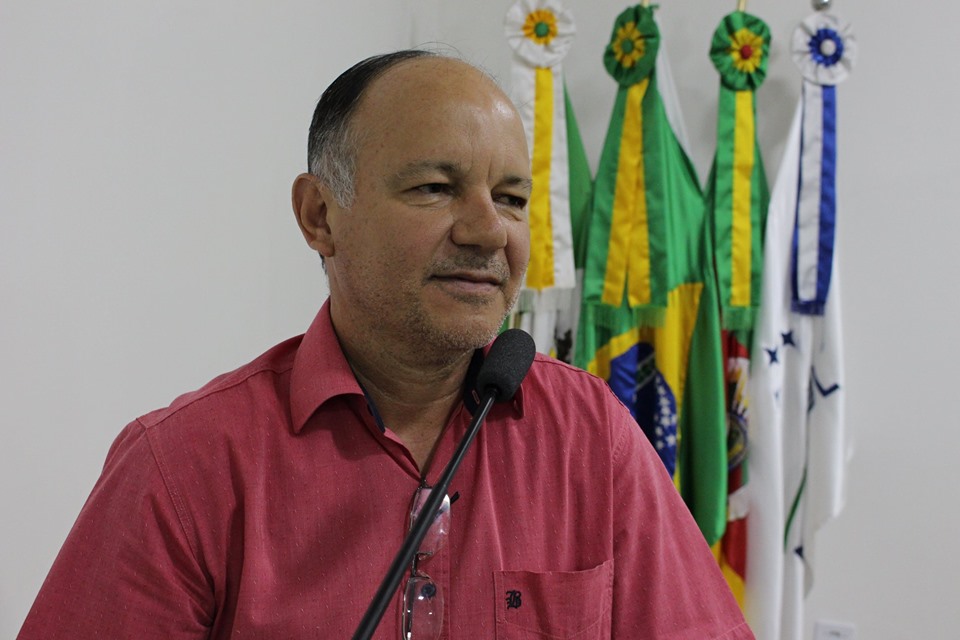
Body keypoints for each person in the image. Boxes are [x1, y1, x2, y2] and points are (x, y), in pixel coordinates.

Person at [18, 50, 753, 639]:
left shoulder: (591, 438)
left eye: (511, 199)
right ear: (319, 216)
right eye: (435, 188)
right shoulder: (183, 468)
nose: (488, 231)